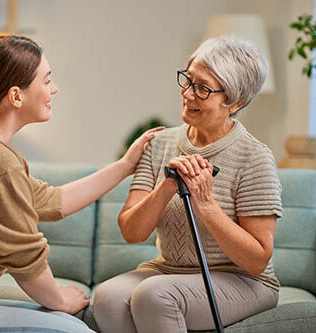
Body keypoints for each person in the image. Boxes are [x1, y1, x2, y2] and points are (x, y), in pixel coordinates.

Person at [0, 35, 163, 333]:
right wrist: (59, 300)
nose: (54, 89)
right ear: (16, 96)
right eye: (47, 81)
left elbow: (52, 200)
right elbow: (25, 259)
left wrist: (125, 166)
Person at [93, 36, 283, 333]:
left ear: (235, 102)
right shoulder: (158, 144)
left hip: (243, 280)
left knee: (155, 295)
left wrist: (205, 203)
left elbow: (257, 260)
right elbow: (131, 232)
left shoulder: (254, 157)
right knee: (107, 298)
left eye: (203, 88)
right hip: (168, 270)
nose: (188, 94)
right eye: (188, 79)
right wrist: (167, 187)